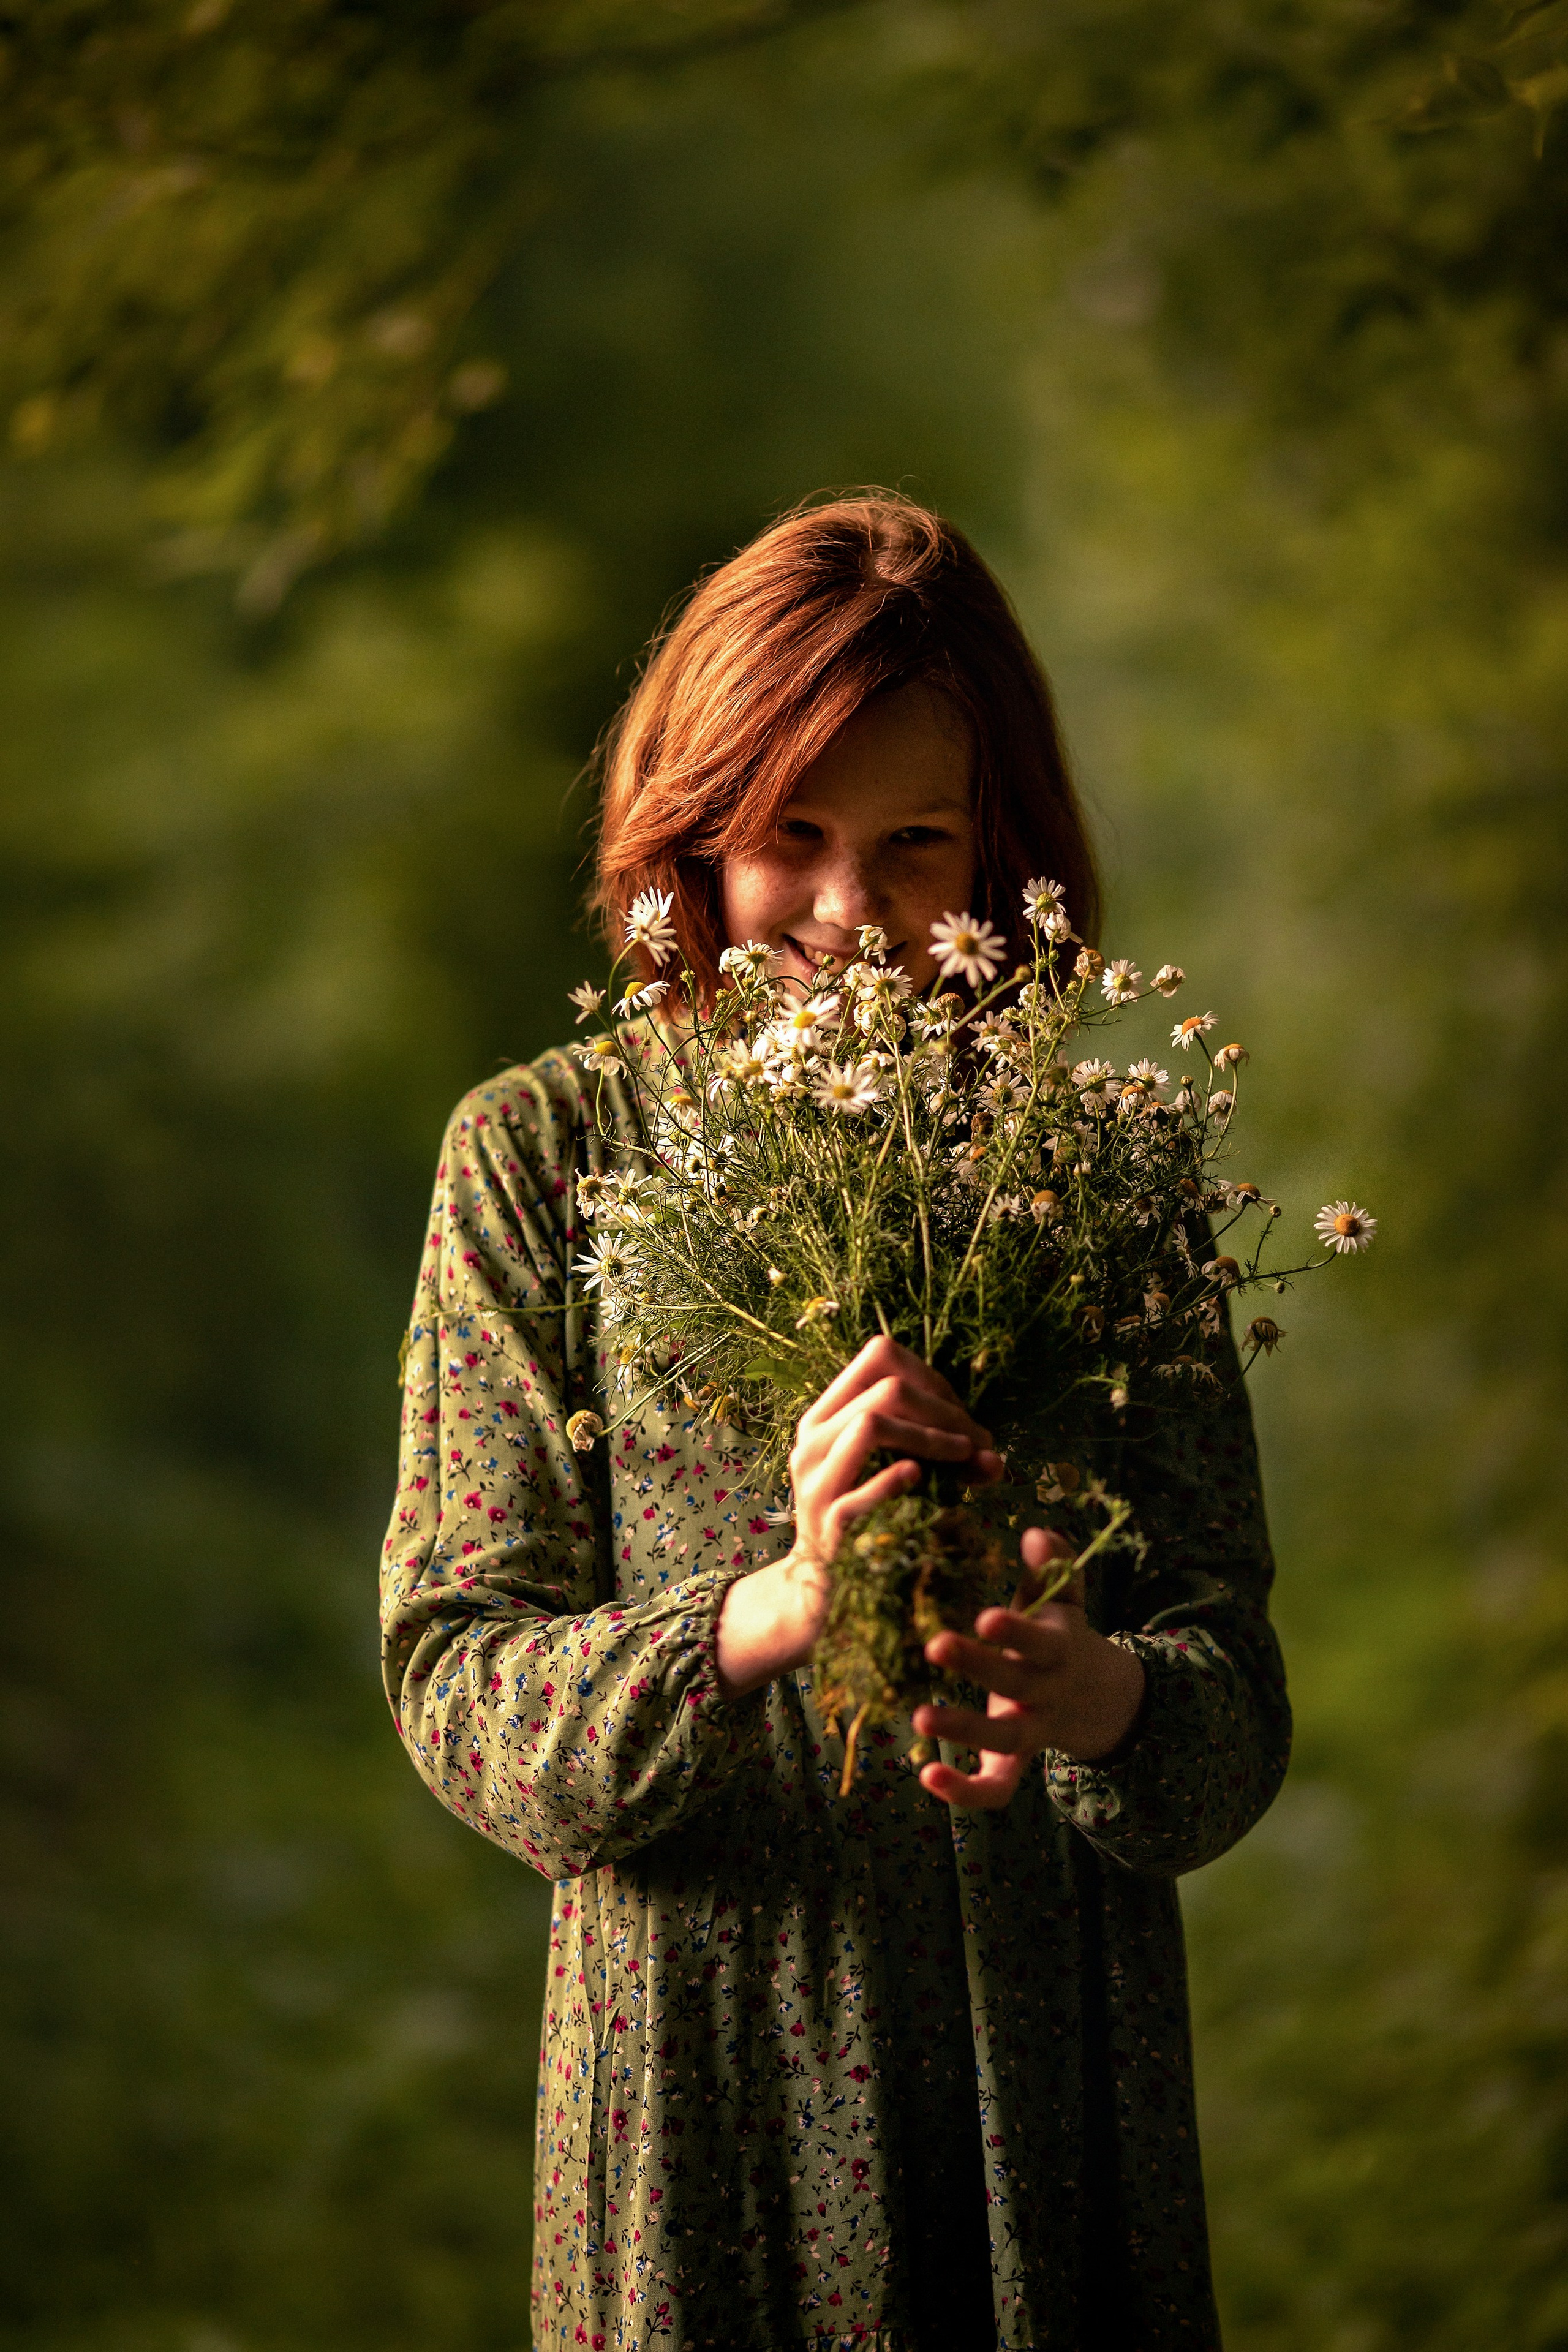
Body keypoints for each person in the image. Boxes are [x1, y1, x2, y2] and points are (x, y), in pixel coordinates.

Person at [380, 494, 1291, 2351]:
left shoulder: (1099, 1175)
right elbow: (459, 1684)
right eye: (786, 841)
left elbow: (1232, 1708)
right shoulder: (544, 1159)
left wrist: (1100, 1696)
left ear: (1004, 853)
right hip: (705, 2080)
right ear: (688, 839)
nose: (850, 915)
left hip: (1049, 2075)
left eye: (917, 845)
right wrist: (770, 1612)